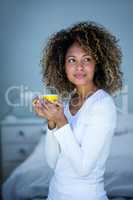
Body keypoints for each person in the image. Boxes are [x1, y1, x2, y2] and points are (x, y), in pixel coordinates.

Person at [33, 21, 123, 200]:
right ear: (63, 65)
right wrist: (51, 122)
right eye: (72, 60)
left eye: (87, 59)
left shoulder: (103, 105)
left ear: (98, 63)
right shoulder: (68, 102)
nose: (79, 67)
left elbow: (83, 168)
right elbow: (53, 163)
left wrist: (61, 121)